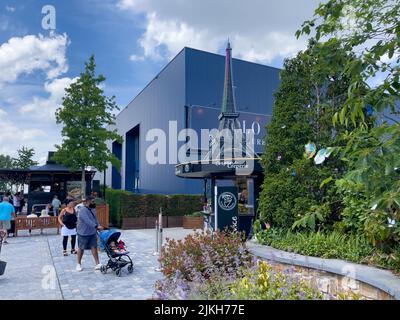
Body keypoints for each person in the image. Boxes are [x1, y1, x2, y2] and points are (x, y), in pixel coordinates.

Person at [76, 196, 103, 271]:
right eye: (93, 201)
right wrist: (96, 226)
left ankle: (97, 264)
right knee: (81, 248)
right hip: (83, 232)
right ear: (88, 202)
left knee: (94, 247)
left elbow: (95, 218)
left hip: (92, 232)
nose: (94, 203)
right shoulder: (82, 210)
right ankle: (78, 264)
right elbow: (87, 220)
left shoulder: (93, 209)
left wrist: (98, 225)